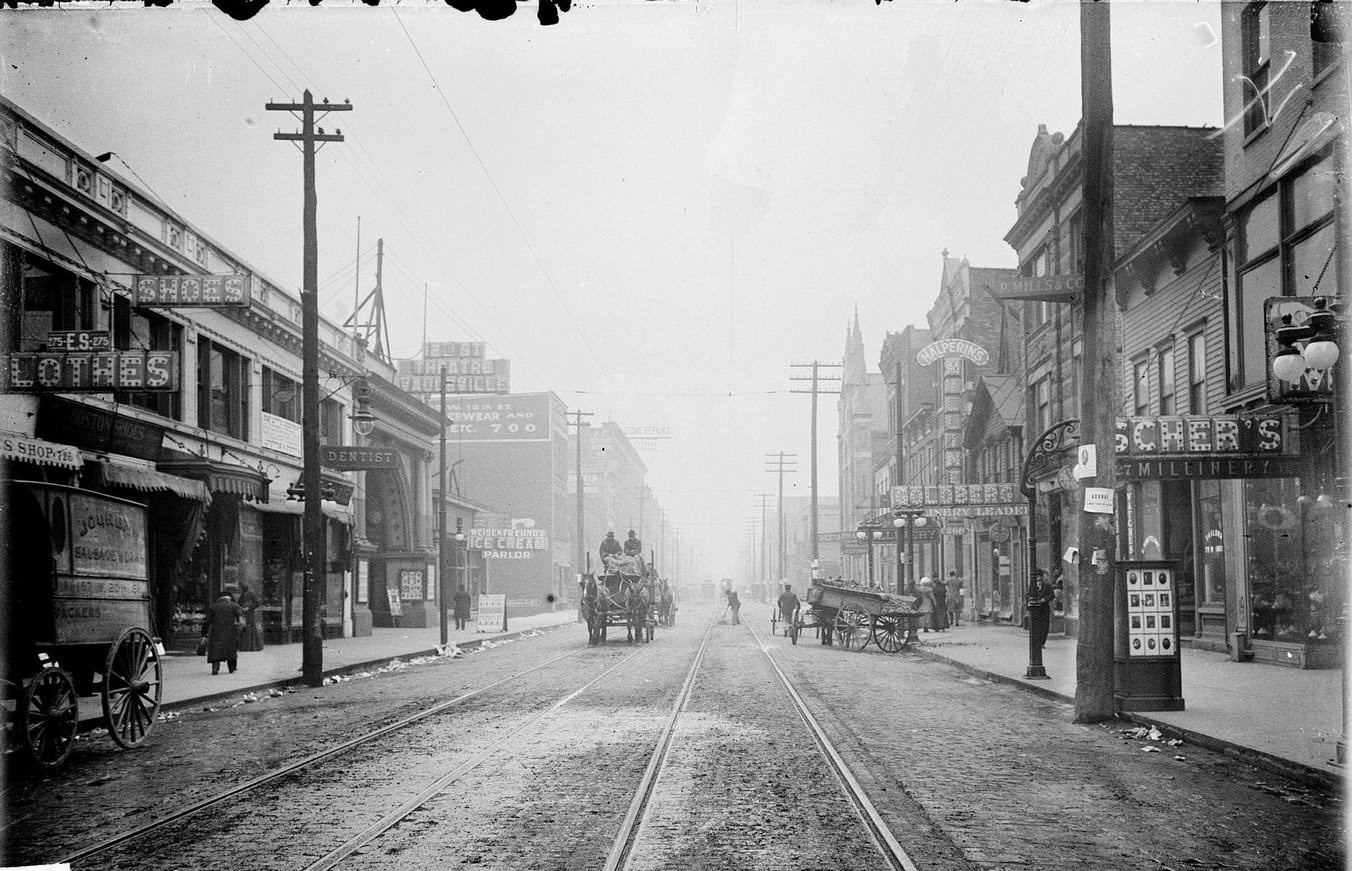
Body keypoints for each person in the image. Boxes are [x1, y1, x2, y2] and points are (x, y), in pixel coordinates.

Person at [204, 592, 243, 675]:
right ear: (229, 598)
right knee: (231, 650)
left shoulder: (213, 607)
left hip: (216, 632)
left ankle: (215, 668)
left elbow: (207, 622)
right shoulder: (234, 606)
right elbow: (240, 618)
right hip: (231, 632)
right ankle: (232, 668)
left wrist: (203, 633)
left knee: (216, 650)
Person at [1028, 568, 1057, 651]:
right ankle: (1037, 642)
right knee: (1037, 626)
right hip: (1036, 610)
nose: (1039, 578)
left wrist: (1045, 599)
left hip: (1044, 609)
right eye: (1037, 576)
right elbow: (1027, 594)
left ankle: (1042, 642)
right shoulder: (1032, 586)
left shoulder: (1047, 586)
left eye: (1040, 576)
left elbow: (1052, 595)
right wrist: (1032, 600)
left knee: (1044, 627)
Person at [237, 581, 264, 651]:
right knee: (246, 629)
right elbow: (239, 604)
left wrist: (248, 607)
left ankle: (250, 646)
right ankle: (247, 646)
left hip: (249, 614)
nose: (239, 589)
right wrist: (241, 608)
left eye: (240, 588)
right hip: (244, 614)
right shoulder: (242, 595)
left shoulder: (251, 594)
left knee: (249, 629)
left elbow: (257, 603)